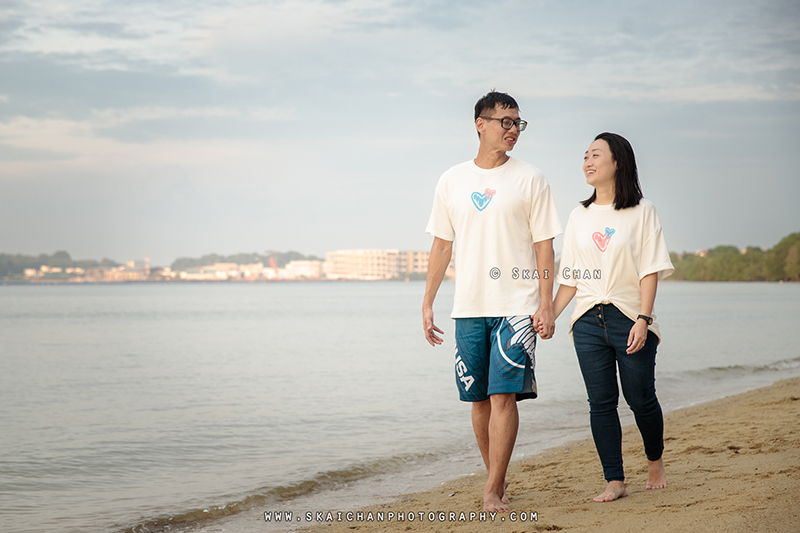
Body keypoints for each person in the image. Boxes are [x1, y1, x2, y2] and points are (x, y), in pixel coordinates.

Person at [422, 91, 562, 512]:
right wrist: (427, 302)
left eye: (518, 122)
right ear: (480, 124)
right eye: (505, 121)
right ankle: (496, 482)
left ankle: (491, 490)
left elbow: (544, 248)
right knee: (478, 399)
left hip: (517, 306)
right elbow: (441, 247)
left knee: (504, 396)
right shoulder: (451, 180)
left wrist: (546, 303)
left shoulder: (531, 178)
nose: (513, 129)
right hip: (468, 306)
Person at [548, 132, 674, 502]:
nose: (587, 161)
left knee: (640, 398)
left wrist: (643, 318)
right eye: (585, 155)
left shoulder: (642, 210)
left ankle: (655, 461)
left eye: (596, 155)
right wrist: (551, 316)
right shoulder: (578, 215)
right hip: (586, 320)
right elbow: (571, 277)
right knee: (600, 402)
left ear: (617, 162)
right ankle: (614, 480)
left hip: (629, 318)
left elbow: (649, 269)